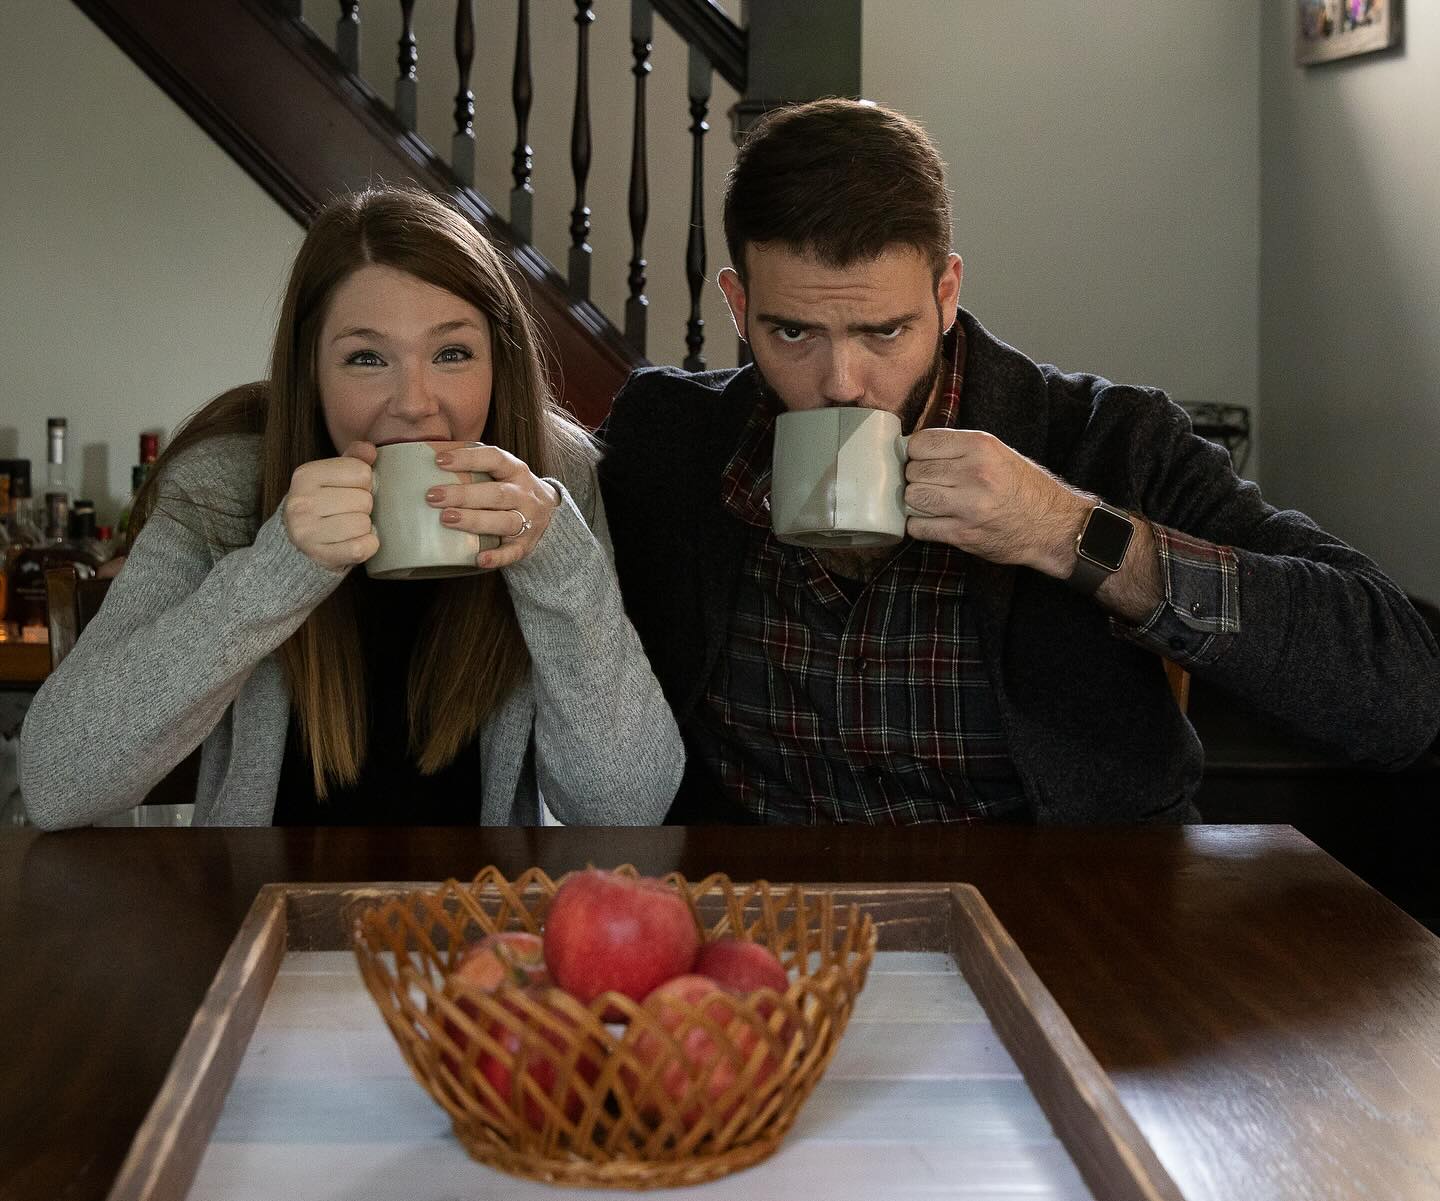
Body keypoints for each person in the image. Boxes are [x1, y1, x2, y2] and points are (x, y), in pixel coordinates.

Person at [597, 98, 1440, 825]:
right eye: (793, 333)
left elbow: (1404, 691)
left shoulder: (1105, 437)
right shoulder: (670, 439)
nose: (841, 381)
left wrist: (1068, 531)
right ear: (737, 305)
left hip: (1064, 919)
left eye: (884, 331)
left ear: (947, 292)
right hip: (770, 927)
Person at [21, 186, 683, 829]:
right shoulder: (223, 487)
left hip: (480, 927)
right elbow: (58, 781)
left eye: (452, 353)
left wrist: (558, 561)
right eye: (367, 358)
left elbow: (624, 807)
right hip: (262, 922)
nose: (415, 402)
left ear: (500, 364)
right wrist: (275, 569)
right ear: (309, 373)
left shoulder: (556, 482)